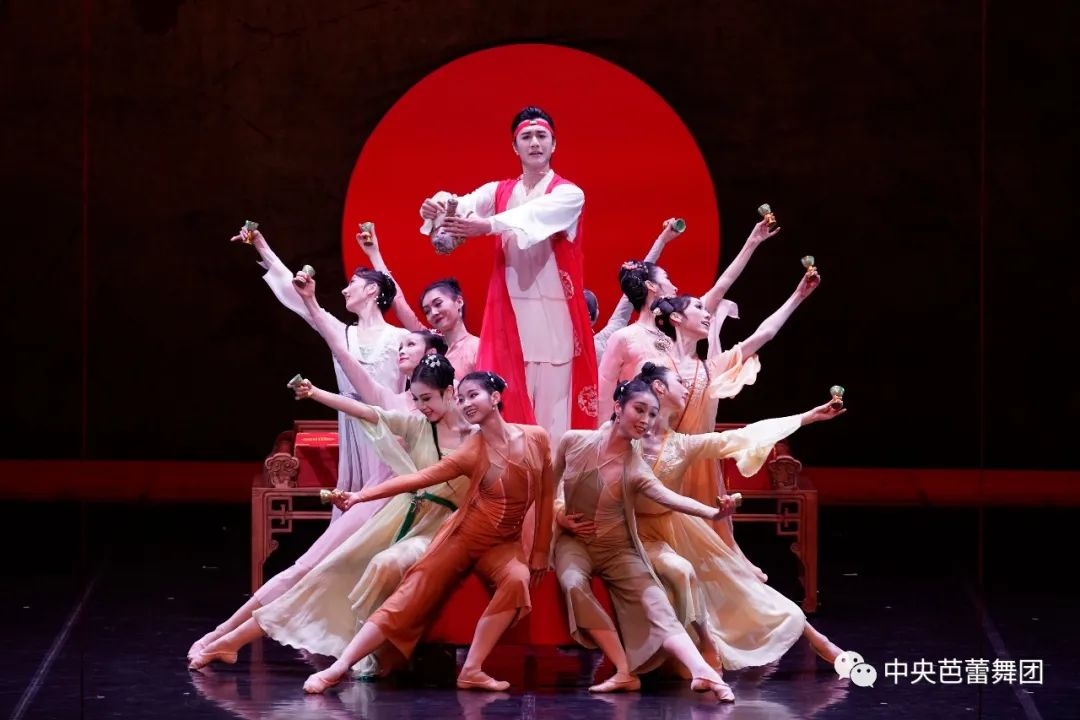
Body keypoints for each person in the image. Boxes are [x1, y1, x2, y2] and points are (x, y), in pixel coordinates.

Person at [186, 273, 444, 668]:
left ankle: (233, 637)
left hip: (413, 507)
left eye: (410, 344)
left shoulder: (442, 408)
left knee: (324, 570)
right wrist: (309, 308)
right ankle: (224, 635)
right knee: (308, 566)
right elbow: (347, 365)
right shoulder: (392, 400)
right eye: (403, 343)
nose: (401, 348)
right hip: (382, 496)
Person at [191, 355, 475, 676]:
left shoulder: (475, 437)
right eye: (417, 399)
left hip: (439, 528)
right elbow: (367, 412)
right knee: (323, 573)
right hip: (397, 517)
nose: (421, 406)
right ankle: (230, 641)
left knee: (380, 568)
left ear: (449, 392)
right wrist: (316, 393)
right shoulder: (418, 426)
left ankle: (371, 651)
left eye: (427, 399)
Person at [302, 371, 554, 694]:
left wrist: (541, 551)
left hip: (503, 544)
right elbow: (419, 479)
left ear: (495, 397)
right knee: (411, 592)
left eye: (473, 395)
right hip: (462, 537)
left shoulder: (536, 438)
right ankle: (338, 667)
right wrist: (360, 496)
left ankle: (472, 669)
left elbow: (546, 493)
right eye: (460, 399)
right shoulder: (472, 450)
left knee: (517, 580)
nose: (465, 403)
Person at [630, 361, 846, 670]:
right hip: (630, 531)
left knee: (736, 580)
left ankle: (813, 637)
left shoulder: (682, 444)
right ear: (659, 388)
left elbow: (740, 438)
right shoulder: (624, 437)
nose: (686, 387)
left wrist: (805, 417)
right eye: (678, 382)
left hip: (674, 527)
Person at [419, 106, 595, 445]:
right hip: (511, 315)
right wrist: (436, 209)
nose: (534, 143)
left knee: (554, 416)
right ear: (515, 147)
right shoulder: (498, 191)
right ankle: (514, 478)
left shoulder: (568, 194)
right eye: (526, 137)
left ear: (554, 144)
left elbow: (534, 215)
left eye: (541, 136)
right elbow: (463, 204)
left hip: (556, 317)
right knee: (509, 408)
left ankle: (553, 479)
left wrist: (488, 225)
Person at [552, 380, 738, 702]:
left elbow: (670, 498)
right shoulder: (573, 441)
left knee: (657, 604)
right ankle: (624, 670)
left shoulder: (635, 468)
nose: (646, 420)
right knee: (573, 582)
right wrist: (558, 517)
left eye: (652, 414)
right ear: (618, 407)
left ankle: (701, 671)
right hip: (575, 543)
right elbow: (548, 486)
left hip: (618, 549)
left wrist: (714, 513)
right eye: (639, 409)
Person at [648, 268, 819, 578]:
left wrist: (798, 296)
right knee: (667, 547)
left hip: (701, 465)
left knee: (711, 553)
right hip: (664, 463)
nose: (707, 314)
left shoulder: (711, 368)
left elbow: (764, 335)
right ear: (676, 318)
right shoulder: (656, 366)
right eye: (698, 308)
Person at [231, 224, 410, 519]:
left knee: (390, 508)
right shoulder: (342, 333)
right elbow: (300, 301)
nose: (344, 289)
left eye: (352, 283)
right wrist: (260, 244)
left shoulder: (402, 338)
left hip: (390, 432)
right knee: (356, 504)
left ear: (372, 289)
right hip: (353, 429)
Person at [597, 217, 779, 421]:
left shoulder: (680, 325)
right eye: (667, 279)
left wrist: (752, 242)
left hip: (682, 432)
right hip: (639, 432)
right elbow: (603, 397)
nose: (675, 287)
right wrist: (605, 437)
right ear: (652, 286)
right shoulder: (624, 338)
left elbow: (722, 285)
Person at [355, 223, 480, 378]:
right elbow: (397, 299)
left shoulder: (478, 347)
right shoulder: (428, 343)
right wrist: (374, 254)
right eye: (427, 311)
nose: (434, 312)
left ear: (459, 302)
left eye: (438, 303)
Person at [588, 218, 683, 365]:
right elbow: (638, 279)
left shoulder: (558, 350)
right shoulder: (603, 342)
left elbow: (639, 278)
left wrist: (662, 240)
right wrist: (662, 240)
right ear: (595, 315)